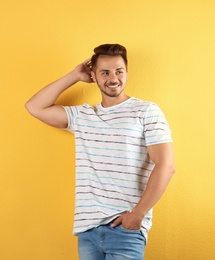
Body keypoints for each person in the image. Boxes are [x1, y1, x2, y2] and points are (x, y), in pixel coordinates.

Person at [25, 43, 175, 260]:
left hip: (126, 230)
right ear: (93, 75)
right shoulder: (83, 116)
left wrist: (138, 215)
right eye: (104, 72)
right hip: (88, 231)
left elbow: (166, 166)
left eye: (119, 71)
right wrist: (74, 75)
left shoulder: (146, 111)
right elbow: (34, 107)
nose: (113, 78)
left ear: (126, 73)